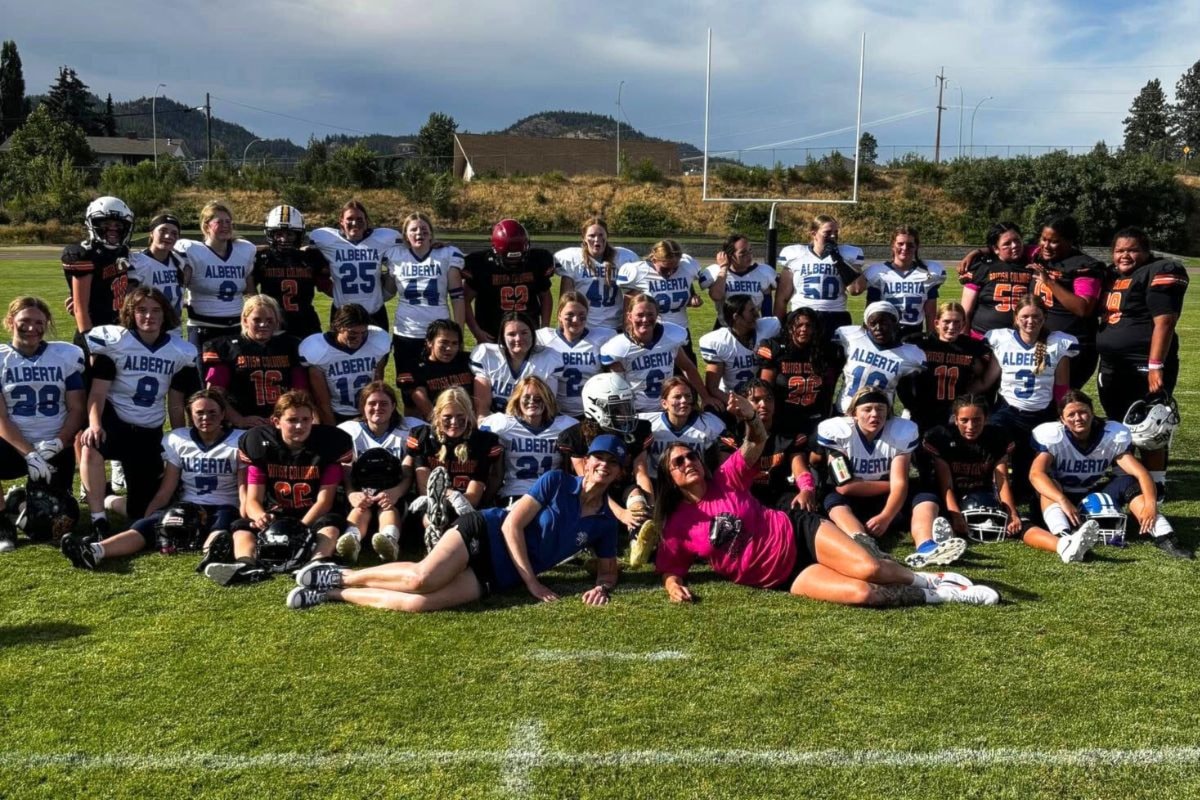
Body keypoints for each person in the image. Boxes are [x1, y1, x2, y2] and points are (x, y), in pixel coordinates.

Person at [653, 390, 997, 606]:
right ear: (669, 476)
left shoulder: (726, 478)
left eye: (691, 457)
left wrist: (749, 416)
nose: (689, 463)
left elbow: (756, 441)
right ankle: (933, 594)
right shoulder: (678, 524)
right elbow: (672, 567)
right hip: (780, 577)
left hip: (796, 532)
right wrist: (673, 587)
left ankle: (935, 581)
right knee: (864, 593)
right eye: (678, 462)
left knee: (870, 567)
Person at [286, 434, 628, 612]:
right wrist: (533, 583)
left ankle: (331, 593)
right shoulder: (556, 481)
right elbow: (512, 526)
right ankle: (340, 574)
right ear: (586, 461)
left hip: (500, 574)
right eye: (599, 458)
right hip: (485, 532)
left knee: (420, 603)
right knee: (422, 578)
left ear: (618, 472)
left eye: (612, 463)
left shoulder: (605, 522)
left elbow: (609, 571)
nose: (604, 466)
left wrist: (603, 587)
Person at [61, 389, 243, 569]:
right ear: (190, 415)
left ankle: (211, 556)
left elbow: (244, 488)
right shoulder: (179, 439)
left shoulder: (239, 441)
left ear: (223, 414)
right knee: (147, 526)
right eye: (200, 413)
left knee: (221, 525)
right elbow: (167, 488)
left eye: (212, 412)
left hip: (225, 505)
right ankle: (94, 551)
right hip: (188, 505)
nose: (206, 418)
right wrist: (150, 515)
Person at [200, 390, 354, 586]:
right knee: (241, 526)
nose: (300, 426)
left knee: (331, 524)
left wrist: (301, 528)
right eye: (292, 420)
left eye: (306, 419)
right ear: (276, 421)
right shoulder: (259, 443)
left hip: (312, 514)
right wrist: (259, 517)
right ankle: (246, 564)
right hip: (277, 513)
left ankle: (317, 563)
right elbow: (253, 499)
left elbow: (325, 501)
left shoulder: (328, 443)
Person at [80, 288, 200, 530]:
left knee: (142, 514)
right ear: (130, 313)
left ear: (165, 314)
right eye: (142, 310)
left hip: (149, 428)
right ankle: (98, 518)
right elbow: (98, 392)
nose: (149, 316)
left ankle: (110, 500)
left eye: (155, 310)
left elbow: (175, 403)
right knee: (91, 446)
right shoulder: (116, 342)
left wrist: (180, 438)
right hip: (116, 419)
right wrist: (95, 424)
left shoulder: (180, 351)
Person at [813, 388, 967, 568]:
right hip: (851, 497)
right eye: (867, 409)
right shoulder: (839, 432)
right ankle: (861, 543)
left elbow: (901, 482)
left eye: (880, 409)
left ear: (888, 412)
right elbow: (845, 486)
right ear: (854, 413)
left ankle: (927, 546)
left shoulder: (899, 432)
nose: (874, 414)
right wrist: (893, 486)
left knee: (926, 497)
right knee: (834, 501)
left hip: (887, 500)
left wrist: (886, 516)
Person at [1030, 391, 1192, 560]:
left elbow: (1141, 473)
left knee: (1128, 481)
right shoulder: (1054, 436)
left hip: (1090, 492)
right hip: (1061, 496)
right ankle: (1065, 537)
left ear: (1092, 413)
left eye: (1083, 412)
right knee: (1050, 484)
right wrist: (1062, 499)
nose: (1078, 418)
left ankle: (1165, 536)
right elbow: (1035, 474)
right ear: (1062, 420)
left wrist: (1151, 504)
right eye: (1071, 414)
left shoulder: (1111, 435)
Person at [1096, 227, 1188, 489]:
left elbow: (1166, 320)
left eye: (1132, 250)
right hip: (1112, 364)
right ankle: (1123, 479)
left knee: (1151, 426)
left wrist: (1155, 365)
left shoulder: (1161, 269)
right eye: (1119, 250)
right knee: (1116, 424)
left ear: (1146, 251)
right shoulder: (1111, 275)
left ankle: (1156, 484)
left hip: (1144, 362)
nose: (1125, 255)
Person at [0, 297, 85, 550]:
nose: (32, 328)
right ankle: (3, 520)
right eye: (24, 321)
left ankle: (19, 503)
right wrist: (29, 454)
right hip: (12, 446)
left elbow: (77, 408)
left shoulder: (64, 355)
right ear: (10, 321)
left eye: (39, 322)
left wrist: (59, 442)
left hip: (54, 447)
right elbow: (0, 418)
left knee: (56, 523)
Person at [979, 294, 1076, 493]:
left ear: (1044, 318)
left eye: (1036, 317)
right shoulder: (1001, 339)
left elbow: (1061, 387)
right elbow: (987, 380)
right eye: (1025, 316)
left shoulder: (1058, 344)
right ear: (1015, 318)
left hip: (1042, 413)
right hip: (1009, 410)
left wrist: (1063, 414)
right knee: (993, 443)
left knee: (1026, 481)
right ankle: (996, 487)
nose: (1030, 321)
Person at [336, 382, 423, 564]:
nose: (378, 408)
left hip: (394, 493)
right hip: (362, 492)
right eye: (372, 403)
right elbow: (346, 469)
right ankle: (351, 540)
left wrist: (397, 492)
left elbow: (408, 470)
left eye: (384, 403)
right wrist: (352, 493)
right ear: (363, 407)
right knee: (360, 508)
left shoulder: (410, 430)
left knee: (388, 507)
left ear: (393, 406)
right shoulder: (347, 431)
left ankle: (389, 540)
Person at [404, 387, 503, 546]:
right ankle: (436, 535)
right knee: (431, 514)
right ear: (437, 415)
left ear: (469, 415)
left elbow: (474, 497)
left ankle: (445, 541)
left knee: (465, 519)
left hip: (465, 505)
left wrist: (456, 498)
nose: (454, 423)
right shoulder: (422, 437)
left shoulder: (483, 442)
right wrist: (448, 496)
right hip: (430, 503)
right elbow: (426, 490)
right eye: (447, 417)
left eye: (460, 417)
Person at [384, 212, 466, 389]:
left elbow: (458, 298)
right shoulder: (395, 256)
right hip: (406, 333)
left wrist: (457, 333)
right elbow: (387, 292)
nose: (419, 233)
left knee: (439, 387)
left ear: (431, 233)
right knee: (409, 390)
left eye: (423, 229)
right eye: (413, 229)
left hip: (439, 334)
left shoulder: (446, 254)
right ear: (405, 235)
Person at [202, 295, 307, 429]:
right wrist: (239, 420)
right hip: (240, 424)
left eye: (269, 320)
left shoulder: (290, 345)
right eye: (257, 320)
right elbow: (215, 393)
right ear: (245, 321)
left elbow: (300, 391)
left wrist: (284, 417)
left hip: (283, 423)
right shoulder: (226, 347)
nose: (263, 325)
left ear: (277, 322)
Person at [599, 292, 715, 414]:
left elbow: (688, 368)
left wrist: (705, 397)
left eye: (650, 314)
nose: (645, 319)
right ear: (629, 317)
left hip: (669, 409)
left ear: (657, 315)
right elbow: (618, 389)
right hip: (636, 412)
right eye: (640, 315)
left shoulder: (670, 337)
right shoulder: (618, 348)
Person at [1028, 215, 1104, 388]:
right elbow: (1010, 247)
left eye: (1054, 241)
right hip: (1041, 342)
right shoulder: (1038, 255)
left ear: (1070, 241)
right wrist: (979, 251)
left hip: (1072, 346)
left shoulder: (1084, 266)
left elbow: (1083, 308)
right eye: (1043, 239)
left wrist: (1049, 282)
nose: (1046, 245)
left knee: (1063, 399)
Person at [480, 376, 576, 505]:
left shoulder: (566, 427)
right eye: (526, 397)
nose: (532, 401)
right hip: (514, 494)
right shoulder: (503, 425)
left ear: (547, 400)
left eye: (538, 398)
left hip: (551, 496)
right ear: (518, 400)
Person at [898, 302, 990, 432]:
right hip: (922, 408)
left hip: (954, 411)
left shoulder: (971, 347)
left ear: (964, 324)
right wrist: (910, 404)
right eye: (946, 321)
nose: (952, 327)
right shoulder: (921, 343)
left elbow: (982, 374)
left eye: (957, 322)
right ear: (937, 323)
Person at [717, 379, 809, 510]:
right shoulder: (731, 437)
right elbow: (726, 478)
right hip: (744, 499)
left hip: (781, 496)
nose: (764, 404)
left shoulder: (787, 434)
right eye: (755, 400)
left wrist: (807, 489)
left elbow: (800, 468)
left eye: (769, 399)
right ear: (744, 404)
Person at [755, 307, 845, 442]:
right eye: (799, 325)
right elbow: (765, 388)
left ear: (815, 328)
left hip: (814, 415)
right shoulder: (775, 348)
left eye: (808, 325)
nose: (804, 329)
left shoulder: (826, 351)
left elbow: (829, 389)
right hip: (783, 416)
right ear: (790, 327)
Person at [175, 201, 256, 350]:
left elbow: (250, 293)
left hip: (237, 328)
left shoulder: (245, 250)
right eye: (219, 222)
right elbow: (178, 288)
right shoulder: (192, 251)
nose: (225, 225)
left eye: (228, 222)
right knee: (201, 372)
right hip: (203, 329)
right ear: (206, 226)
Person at [308, 200, 399, 332]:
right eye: (349, 219)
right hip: (342, 314)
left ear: (366, 221)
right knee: (340, 351)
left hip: (374, 312)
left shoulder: (383, 238)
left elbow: (411, 248)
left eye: (359, 219)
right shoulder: (326, 239)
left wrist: (433, 245)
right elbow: (305, 251)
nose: (355, 223)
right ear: (341, 221)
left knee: (379, 351)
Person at [463, 219, 555, 343]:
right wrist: (476, 331)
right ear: (495, 250)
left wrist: (544, 328)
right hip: (492, 334)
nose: (514, 263)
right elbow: (464, 299)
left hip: (527, 331)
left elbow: (545, 296)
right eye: (508, 259)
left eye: (518, 257)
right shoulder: (481, 264)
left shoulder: (537, 261)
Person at [299, 303, 391, 425]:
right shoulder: (318, 351)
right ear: (338, 327)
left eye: (363, 333)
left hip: (370, 411)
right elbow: (322, 402)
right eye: (353, 334)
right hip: (336, 414)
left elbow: (377, 387)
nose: (359, 338)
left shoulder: (377, 342)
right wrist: (334, 430)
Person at [616, 239, 707, 361]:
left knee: (685, 375)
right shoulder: (638, 272)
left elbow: (687, 287)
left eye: (675, 268)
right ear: (654, 260)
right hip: (653, 332)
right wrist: (630, 333)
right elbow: (629, 306)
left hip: (681, 331)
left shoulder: (687, 266)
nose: (670, 272)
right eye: (665, 268)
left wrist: (693, 298)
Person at [774, 214, 866, 332]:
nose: (833, 236)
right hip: (802, 315)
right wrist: (778, 328)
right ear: (813, 234)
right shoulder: (796, 255)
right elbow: (782, 298)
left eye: (836, 232)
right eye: (827, 232)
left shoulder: (847, 255)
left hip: (835, 316)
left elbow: (856, 289)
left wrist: (838, 259)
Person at [61, 196, 134, 344]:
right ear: (92, 223)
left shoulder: (123, 251)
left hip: (120, 328)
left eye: (118, 225)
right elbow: (80, 310)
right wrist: (91, 343)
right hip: (95, 330)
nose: (113, 228)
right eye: (106, 223)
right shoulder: (84, 255)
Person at [251, 205, 327, 339]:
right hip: (273, 323)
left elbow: (327, 283)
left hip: (306, 324)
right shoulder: (262, 258)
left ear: (298, 235)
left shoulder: (311, 257)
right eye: (278, 234)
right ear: (270, 234)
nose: (284, 239)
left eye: (290, 234)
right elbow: (249, 290)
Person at [832, 302, 925, 413]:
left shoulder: (911, 354)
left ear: (895, 322)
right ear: (866, 325)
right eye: (873, 323)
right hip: (845, 412)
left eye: (884, 322)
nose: (878, 328)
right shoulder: (851, 337)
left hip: (879, 417)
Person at [536, 292, 616, 419]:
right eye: (570, 315)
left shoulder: (603, 337)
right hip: (556, 414)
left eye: (581, 315)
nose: (576, 320)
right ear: (559, 315)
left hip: (593, 414)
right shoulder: (544, 338)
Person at [470, 312, 563, 417]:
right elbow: (482, 409)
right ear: (502, 337)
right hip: (495, 425)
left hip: (531, 425)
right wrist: (485, 429)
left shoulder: (548, 358)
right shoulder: (486, 355)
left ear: (533, 334)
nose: (518, 339)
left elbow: (547, 408)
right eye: (511, 334)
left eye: (524, 333)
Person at [554, 217, 638, 331]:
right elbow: (565, 299)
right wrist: (564, 326)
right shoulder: (572, 260)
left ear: (607, 236)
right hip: (583, 326)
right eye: (592, 235)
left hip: (615, 326)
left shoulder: (624, 258)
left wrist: (627, 324)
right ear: (583, 238)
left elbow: (633, 294)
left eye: (601, 235)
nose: (597, 239)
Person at [863, 226, 946, 339]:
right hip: (885, 332)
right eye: (900, 243)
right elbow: (870, 310)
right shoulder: (877, 272)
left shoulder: (929, 272)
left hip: (914, 332)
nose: (905, 248)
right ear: (893, 245)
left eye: (910, 244)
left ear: (916, 246)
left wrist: (932, 336)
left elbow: (930, 312)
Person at [698, 294, 781, 405]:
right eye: (751, 311)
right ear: (736, 317)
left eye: (755, 309)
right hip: (731, 398)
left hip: (762, 400)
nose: (757, 314)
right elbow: (712, 388)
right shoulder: (719, 342)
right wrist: (739, 405)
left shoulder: (768, 328)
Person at [959, 222, 1036, 338]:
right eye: (1007, 244)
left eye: (1017, 240)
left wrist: (977, 251)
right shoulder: (982, 266)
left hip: (1021, 339)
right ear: (995, 248)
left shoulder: (1033, 264)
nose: (1014, 245)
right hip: (983, 336)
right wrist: (964, 338)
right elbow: (966, 310)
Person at [642, 377, 725, 480]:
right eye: (677, 397)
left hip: (695, 482)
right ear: (664, 403)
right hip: (657, 483)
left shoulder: (710, 423)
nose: (684, 400)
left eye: (687, 396)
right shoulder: (647, 424)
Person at [402, 320, 475, 420]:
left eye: (454, 343)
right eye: (444, 342)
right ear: (429, 342)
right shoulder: (416, 368)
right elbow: (424, 406)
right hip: (437, 422)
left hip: (470, 419)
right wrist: (442, 424)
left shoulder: (469, 361)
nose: (449, 348)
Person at [705, 233, 777, 324]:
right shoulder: (718, 273)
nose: (749, 255)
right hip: (725, 327)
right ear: (729, 255)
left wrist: (768, 325)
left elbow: (767, 309)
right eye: (743, 253)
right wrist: (723, 268)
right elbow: (716, 296)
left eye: (750, 250)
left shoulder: (763, 272)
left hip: (753, 326)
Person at [126, 213, 184, 323]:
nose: (168, 236)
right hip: (146, 328)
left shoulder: (180, 261)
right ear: (151, 233)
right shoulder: (137, 262)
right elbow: (128, 304)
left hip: (174, 330)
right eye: (163, 231)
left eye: (174, 233)